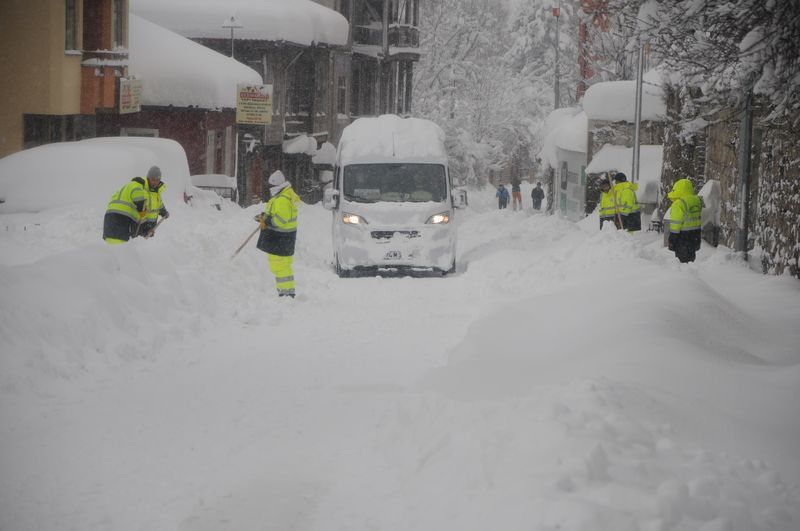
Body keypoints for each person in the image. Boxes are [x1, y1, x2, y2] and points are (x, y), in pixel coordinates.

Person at [255, 170, 301, 297]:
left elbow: (279, 220)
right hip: (284, 238)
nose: (269, 189)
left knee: (280, 267)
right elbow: (277, 215)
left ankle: (286, 294)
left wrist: (267, 221)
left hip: (281, 238)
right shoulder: (282, 196)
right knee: (282, 266)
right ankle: (286, 292)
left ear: (275, 186)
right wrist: (264, 217)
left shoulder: (282, 199)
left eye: (270, 186)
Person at [102, 173, 148, 244]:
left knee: (110, 241)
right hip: (121, 217)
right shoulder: (137, 186)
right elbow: (139, 199)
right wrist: (142, 210)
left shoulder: (123, 188)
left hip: (109, 216)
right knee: (121, 243)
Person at [667, 178, 703, 263]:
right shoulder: (697, 201)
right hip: (695, 236)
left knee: (682, 262)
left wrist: (672, 238)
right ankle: (691, 275)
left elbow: (676, 224)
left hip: (682, 238)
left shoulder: (679, 203)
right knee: (691, 261)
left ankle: (684, 276)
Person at [138, 166, 169, 238]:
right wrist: (145, 227)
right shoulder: (144, 191)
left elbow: (159, 204)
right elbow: (140, 210)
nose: (155, 182)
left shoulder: (157, 192)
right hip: (143, 226)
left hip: (152, 227)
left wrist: (163, 211)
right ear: (148, 179)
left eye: (157, 180)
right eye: (153, 179)